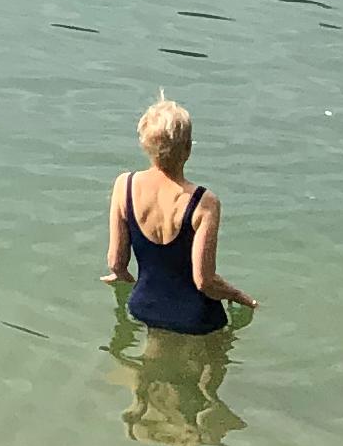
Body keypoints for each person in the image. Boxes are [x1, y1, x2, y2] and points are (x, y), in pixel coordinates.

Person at [105, 95, 254, 334]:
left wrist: (125, 279)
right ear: (187, 148)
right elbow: (204, 281)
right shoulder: (204, 203)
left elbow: (116, 263)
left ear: (145, 144)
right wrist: (240, 297)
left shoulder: (125, 185)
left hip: (144, 308)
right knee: (209, 366)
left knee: (150, 364)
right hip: (198, 320)